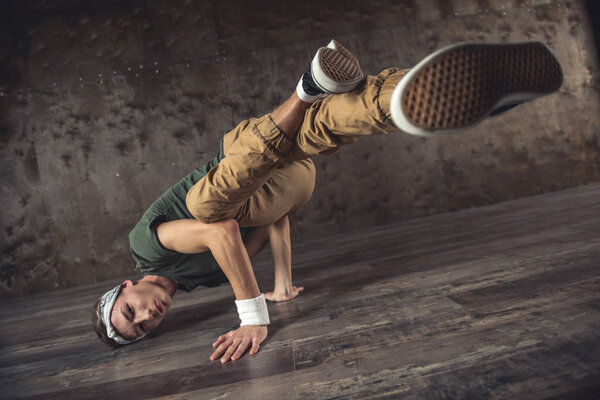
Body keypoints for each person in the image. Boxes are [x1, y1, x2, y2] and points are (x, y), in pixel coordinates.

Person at [92, 40, 563, 363]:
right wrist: (281, 283)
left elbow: (221, 231)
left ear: (126, 286)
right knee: (222, 205)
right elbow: (272, 220)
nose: (146, 316)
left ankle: (479, 96)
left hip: (246, 153)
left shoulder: (147, 249)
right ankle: (307, 90)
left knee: (349, 115)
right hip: (282, 182)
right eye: (142, 329)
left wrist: (254, 317)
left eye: (130, 311)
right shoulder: (209, 278)